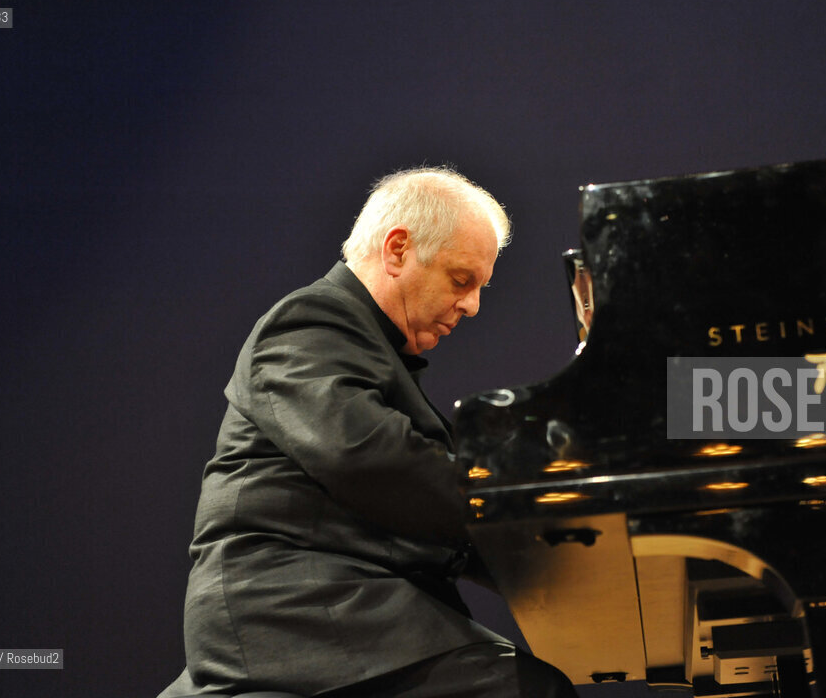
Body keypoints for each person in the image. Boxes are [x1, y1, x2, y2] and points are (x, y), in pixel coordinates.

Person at [159, 167, 577, 697]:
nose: (471, 305)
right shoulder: (309, 322)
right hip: (295, 612)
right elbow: (371, 460)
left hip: (350, 605)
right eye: (461, 280)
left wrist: (561, 557)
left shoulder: (365, 346)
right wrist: (525, 513)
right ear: (398, 248)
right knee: (527, 692)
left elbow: (413, 498)